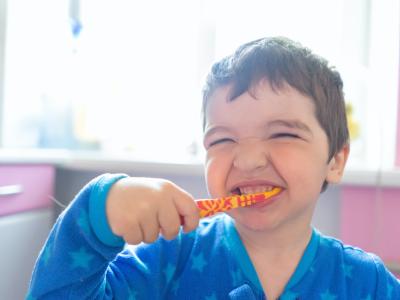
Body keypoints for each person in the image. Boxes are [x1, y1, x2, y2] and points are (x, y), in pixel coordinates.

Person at [27, 37, 400, 299]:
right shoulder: (166, 260)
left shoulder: (371, 284)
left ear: (335, 160)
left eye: (283, 133)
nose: (248, 159)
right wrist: (96, 217)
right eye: (222, 140)